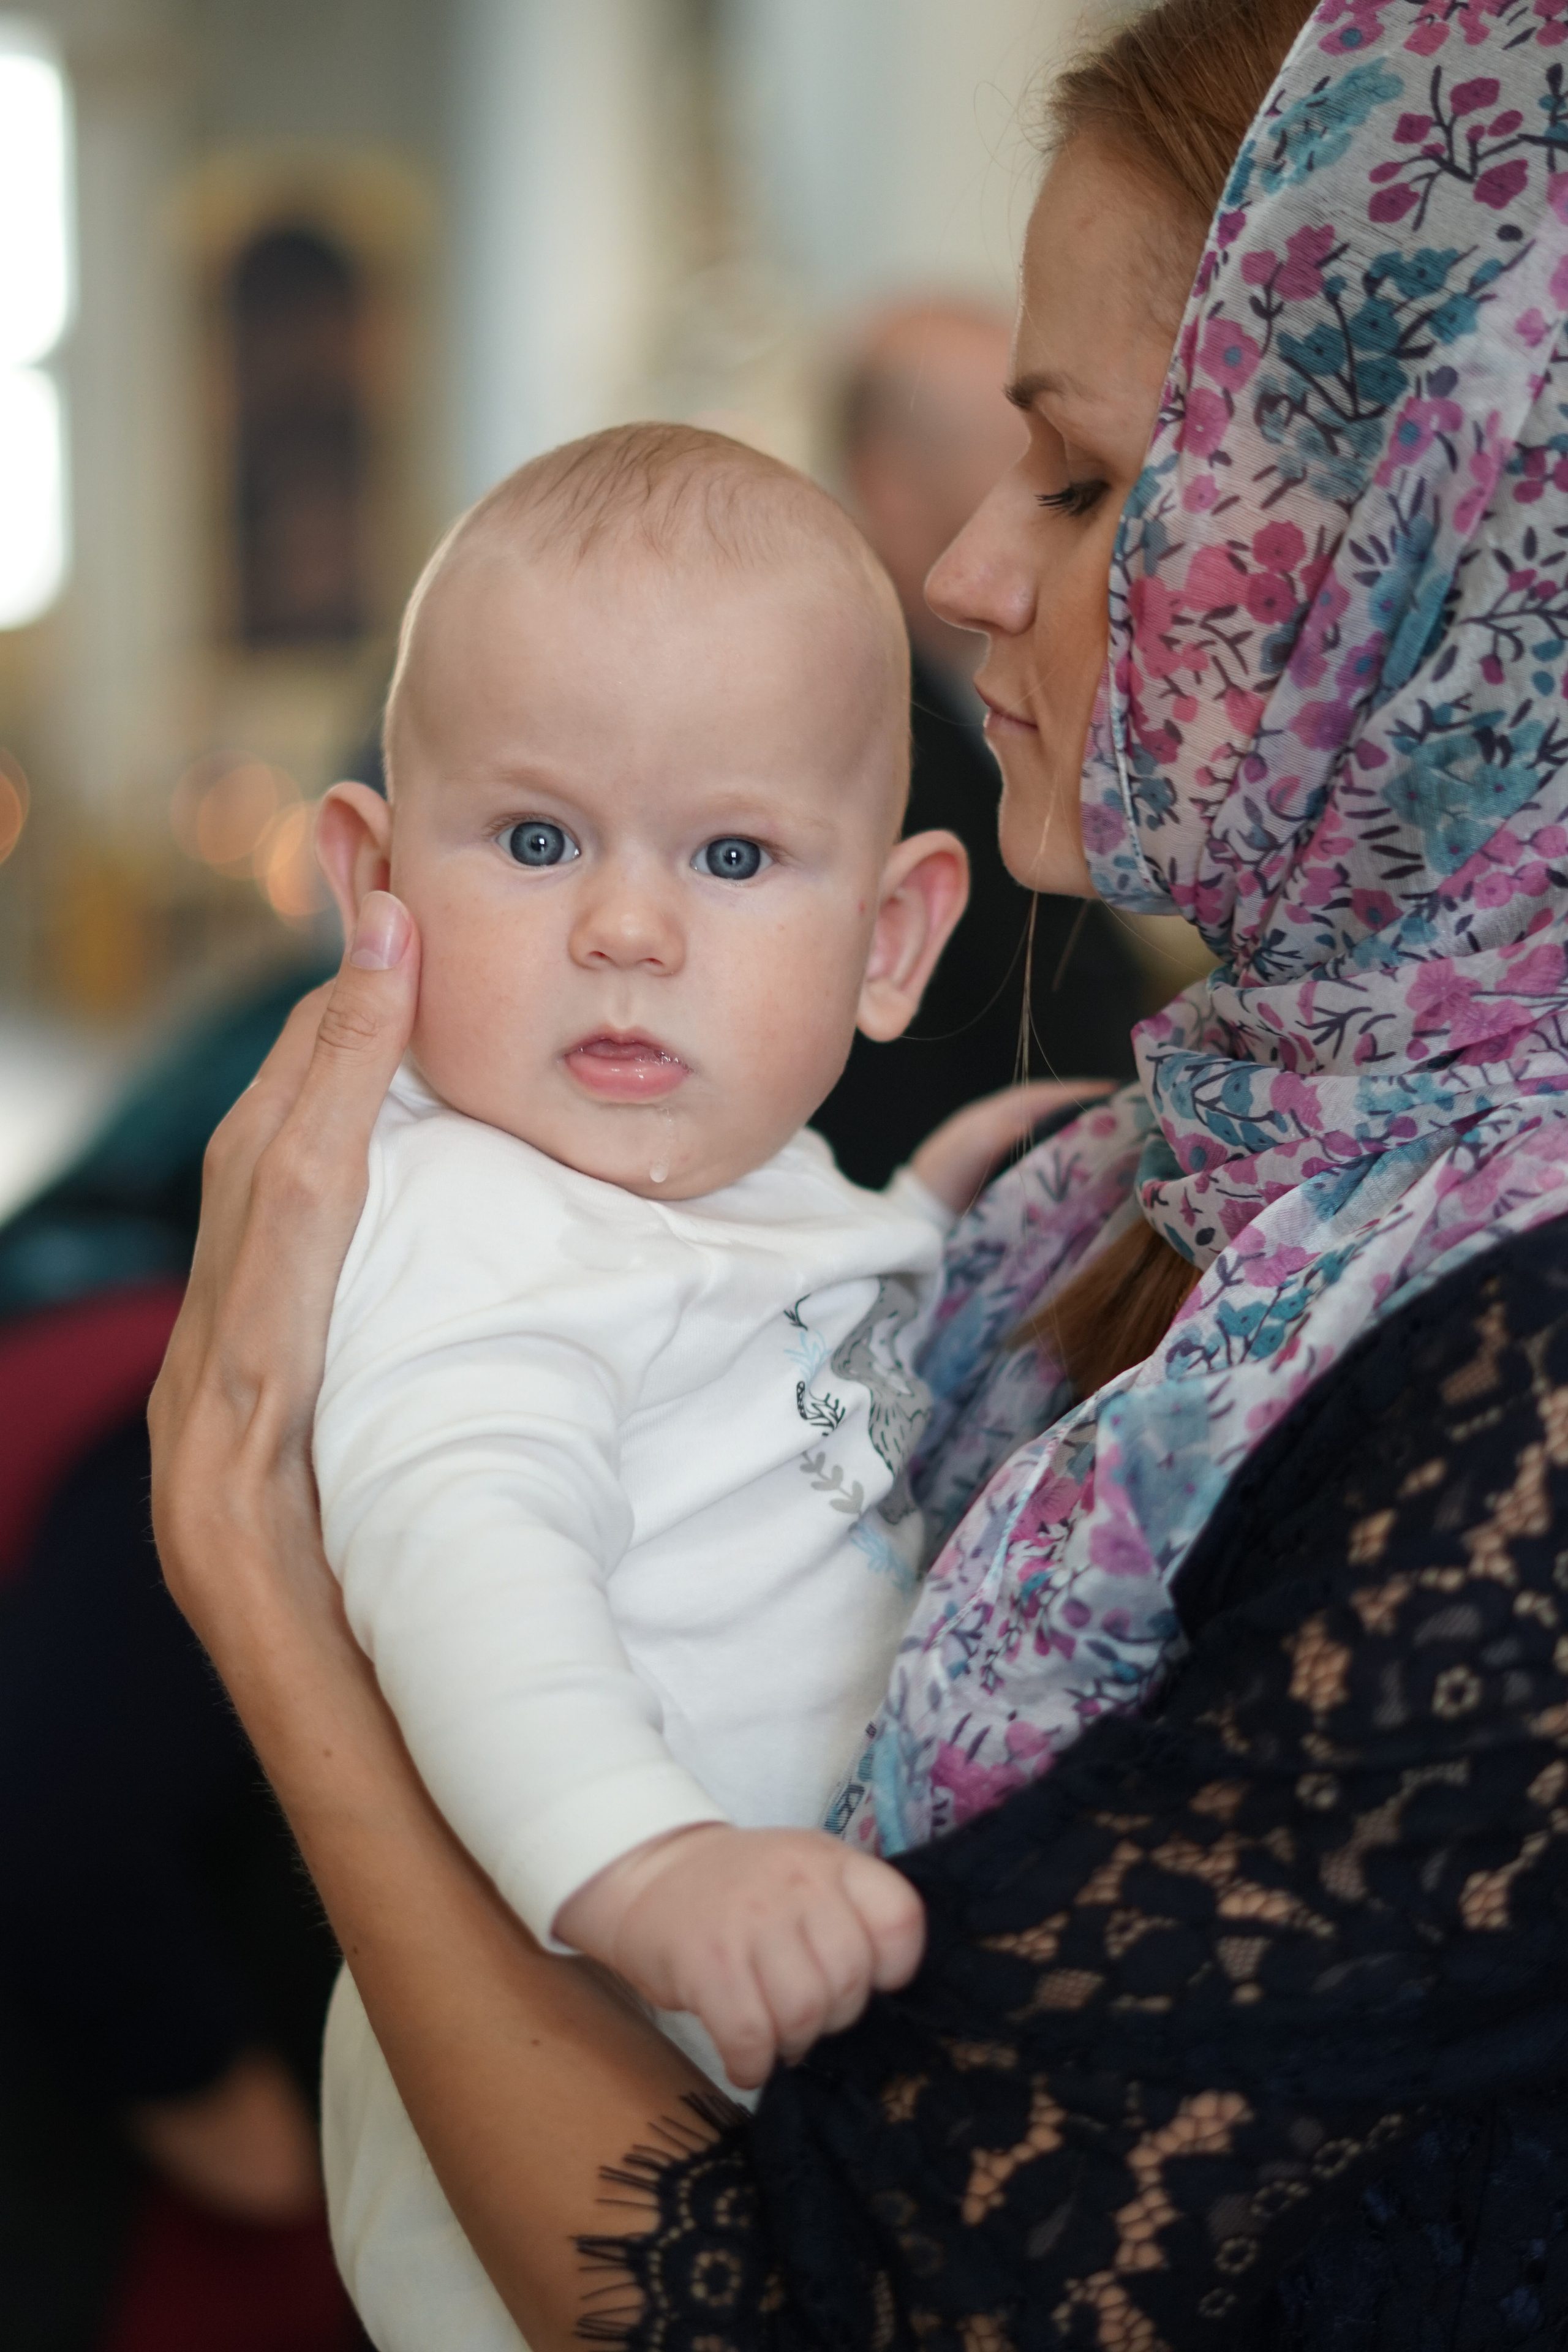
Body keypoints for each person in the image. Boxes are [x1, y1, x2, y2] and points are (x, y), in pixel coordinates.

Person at [148, 0, 1568, 2342]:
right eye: (536, 839)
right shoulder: (1201, 1170)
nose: (972, 576)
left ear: (1422, 547)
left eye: (1090, 482)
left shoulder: (1504, 1372)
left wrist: (264, 1592)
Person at [305, 421, 1087, 2340]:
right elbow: (468, 1556)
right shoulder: (476, 1225)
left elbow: (757, 1395)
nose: (630, 929)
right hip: (561, 2077)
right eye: (539, 839)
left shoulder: (724, 1181)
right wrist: (655, 1873)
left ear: (891, 937)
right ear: (372, 885)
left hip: (742, 2032)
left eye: (734, 855)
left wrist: (921, 1209)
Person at [812, 298, 1147, 1185]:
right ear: (886, 482)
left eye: (1072, 477)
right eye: (1042, 473)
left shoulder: (997, 706)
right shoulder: (827, 759)